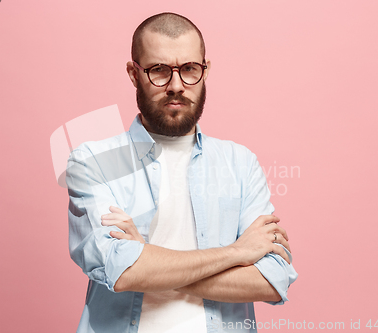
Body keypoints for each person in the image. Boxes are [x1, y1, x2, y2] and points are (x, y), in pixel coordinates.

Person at [66, 12, 297, 333]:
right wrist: (237, 253)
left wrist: (149, 262)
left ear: (205, 69)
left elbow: (273, 280)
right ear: (133, 73)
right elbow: (121, 271)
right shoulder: (94, 160)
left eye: (189, 69)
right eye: (159, 70)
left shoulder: (240, 163)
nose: (176, 86)